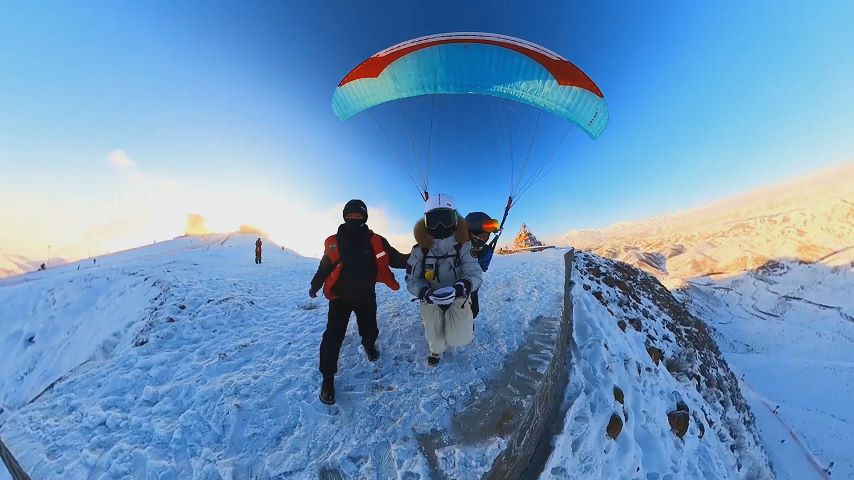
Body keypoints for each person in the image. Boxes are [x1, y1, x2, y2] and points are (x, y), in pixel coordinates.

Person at [309, 199, 409, 405]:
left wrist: (418, 254)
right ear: (344, 217)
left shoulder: (376, 241)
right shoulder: (334, 242)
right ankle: (328, 378)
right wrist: (315, 285)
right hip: (340, 299)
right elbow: (324, 267)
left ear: (365, 218)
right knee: (333, 337)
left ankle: (368, 344)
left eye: (358, 216)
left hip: (366, 296)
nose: (354, 219)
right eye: (350, 216)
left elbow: (397, 259)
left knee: (370, 329)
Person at [406, 194, 482, 366]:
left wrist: (462, 287)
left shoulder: (464, 246)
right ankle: (436, 351)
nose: (440, 226)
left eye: (445, 219)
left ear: (455, 219)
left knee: (459, 338)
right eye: (434, 221)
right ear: (426, 223)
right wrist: (424, 292)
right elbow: (412, 280)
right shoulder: (419, 251)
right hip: (430, 298)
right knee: (435, 337)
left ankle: (460, 325)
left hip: (458, 296)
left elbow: (475, 273)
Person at [463, 212, 500, 319]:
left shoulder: (484, 250)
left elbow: (482, 268)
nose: (486, 239)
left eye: (488, 236)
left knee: (474, 311)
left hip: (473, 288)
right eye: (484, 235)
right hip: (458, 293)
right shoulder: (458, 251)